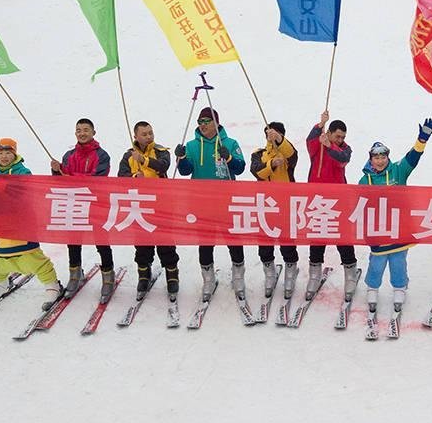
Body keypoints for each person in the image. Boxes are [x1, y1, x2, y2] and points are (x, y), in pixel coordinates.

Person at [360, 118, 432, 317]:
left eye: (383, 157)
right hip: (377, 229)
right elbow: (359, 203)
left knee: (398, 260)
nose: (380, 160)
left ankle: (400, 288)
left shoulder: (397, 170)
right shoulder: (365, 179)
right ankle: (372, 288)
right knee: (377, 261)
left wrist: (422, 139)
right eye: (376, 158)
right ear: (370, 159)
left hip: (398, 227)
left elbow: (413, 158)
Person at [0, 138, 63, 307]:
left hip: (20, 226)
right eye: (0, 153)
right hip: (0, 227)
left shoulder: (23, 173)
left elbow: (28, 196)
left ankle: (52, 285)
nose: (4, 157)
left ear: (14, 154)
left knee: (32, 258)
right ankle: (1, 282)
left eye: (8, 153)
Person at [176, 107, 246, 295]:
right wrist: (182, 158)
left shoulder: (229, 143)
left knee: (233, 239)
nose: (202, 125)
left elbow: (240, 168)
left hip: (227, 202)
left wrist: (229, 157)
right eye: (200, 122)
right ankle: (208, 279)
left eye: (206, 121)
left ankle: (238, 275)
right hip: (202, 203)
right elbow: (185, 171)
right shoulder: (192, 145)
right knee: (205, 241)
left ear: (216, 123)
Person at [50, 118, 116, 298]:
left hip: (96, 204)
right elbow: (61, 182)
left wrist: (68, 173)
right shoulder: (68, 155)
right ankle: (75, 273)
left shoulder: (102, 155)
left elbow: (95, 180)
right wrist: (57, 170)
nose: (82, 133)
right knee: (73, 240)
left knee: (101, 241)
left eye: (86, 129)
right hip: (74, 204)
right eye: (79, 130)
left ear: (94, 132)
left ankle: (108, 275)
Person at [118, 121, 179, 295]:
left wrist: (144, 161)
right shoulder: (128, 156)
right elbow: (120, 177)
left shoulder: (161, 151)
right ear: (135, 136)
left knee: (165, 242)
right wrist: (134, 177)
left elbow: (163, 166)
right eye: (144, 134)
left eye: (150, 133)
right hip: (139, 206)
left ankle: (172, 275)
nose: (148, 137)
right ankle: (143, 274)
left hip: (161, 205)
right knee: (142, 243)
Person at [305, 111, 359, 297]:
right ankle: (314, 273)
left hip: (338, 201)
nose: (340, 139)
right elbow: (310, 138)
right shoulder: (317, 145)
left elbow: (343, 159)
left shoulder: (344, 149)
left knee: (342, 236)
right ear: (329, 133)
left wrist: (330, 146)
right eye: (337, 136)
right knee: (317, 236)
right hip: (317, 199)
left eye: (343, 137)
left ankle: (350, 272)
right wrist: (321, 123)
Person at [250, 121, 299, 297]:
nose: (271, 137)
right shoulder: (259, 154)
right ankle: (269, 273)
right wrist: (271, 164)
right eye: (269, 134)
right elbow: (256, 172)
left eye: (276, 134)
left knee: (287, 241)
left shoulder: (288, 154)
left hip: (285, 203)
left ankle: (291, 271)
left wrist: (279, 139)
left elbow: (292, 154)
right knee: (264, 242)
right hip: (265, 205)